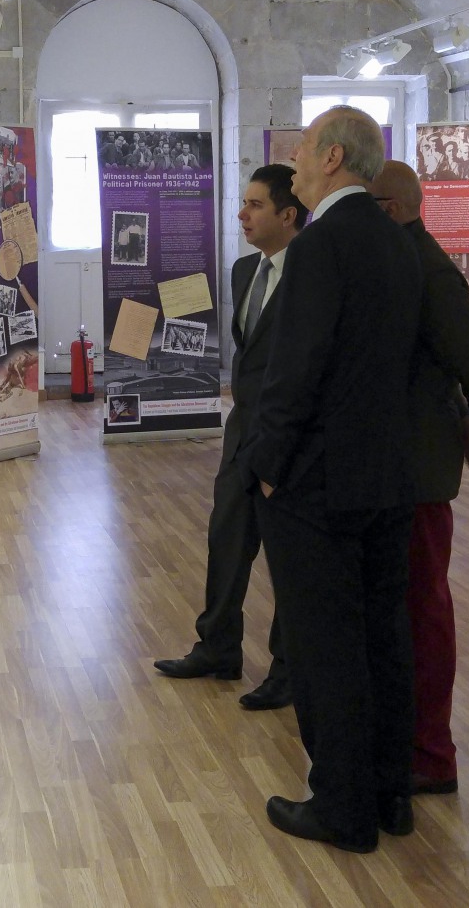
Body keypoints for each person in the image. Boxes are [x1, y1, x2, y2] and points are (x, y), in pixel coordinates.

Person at [243, 107, 423, 853]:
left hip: (317, 481)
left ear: (333, 159)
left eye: (304, 149)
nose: (294, 161)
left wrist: (267, 466)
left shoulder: (320, 246)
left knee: (325, 647)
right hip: (387, 473)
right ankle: (389, 793)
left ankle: (342, 807)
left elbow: (296, 370)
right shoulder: (399, 240)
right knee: (384, 635)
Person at [370, 161, 469, 796]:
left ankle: (430, 752)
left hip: (416, 471)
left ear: (390, 208)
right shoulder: (401, 262)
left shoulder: (426, 271)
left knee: (422, 607)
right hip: (397, 464)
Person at [153, 165, 307, 711]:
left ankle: (289, 670)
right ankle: (217, 647)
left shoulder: (313, 272)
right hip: (242, 430)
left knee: (288, 558)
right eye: (244, 203)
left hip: (288, 436)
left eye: (255, 205)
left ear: (288, 215)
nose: (242, 214)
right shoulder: (245, 270)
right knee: (226, 540)